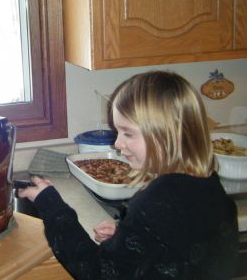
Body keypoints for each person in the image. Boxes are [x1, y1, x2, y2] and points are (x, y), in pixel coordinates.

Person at [19, 71, 239, 280]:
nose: (117, 143)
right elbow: (179, 252)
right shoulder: (209, 185)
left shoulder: (159, 199)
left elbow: (96, 273)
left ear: (167, 134)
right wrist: (127, 238)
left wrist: (52, 205)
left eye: (128, 133)